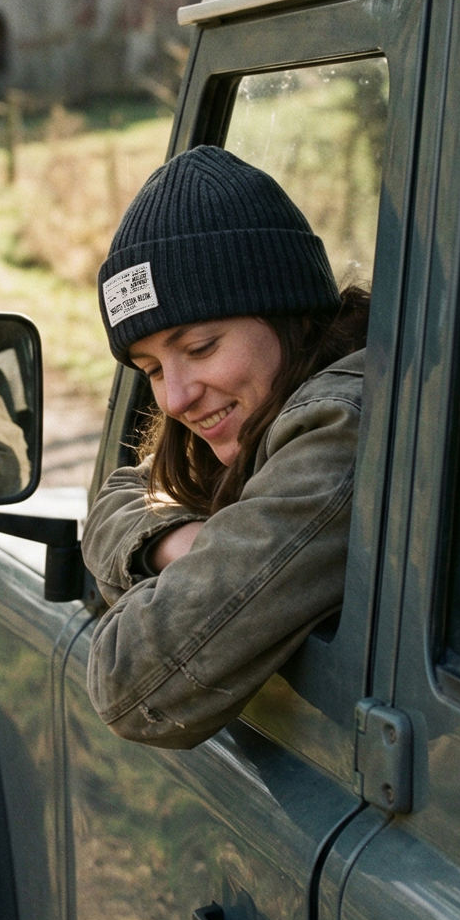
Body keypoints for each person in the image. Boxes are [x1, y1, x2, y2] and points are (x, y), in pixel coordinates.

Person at [82, 145, 371, 748]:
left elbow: (130, 682)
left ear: (288, 310)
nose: (175, 399)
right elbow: (123, 489)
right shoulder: (281, 408)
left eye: (201, 347)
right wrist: (176, 543)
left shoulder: (345, 429)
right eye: (152, 368)